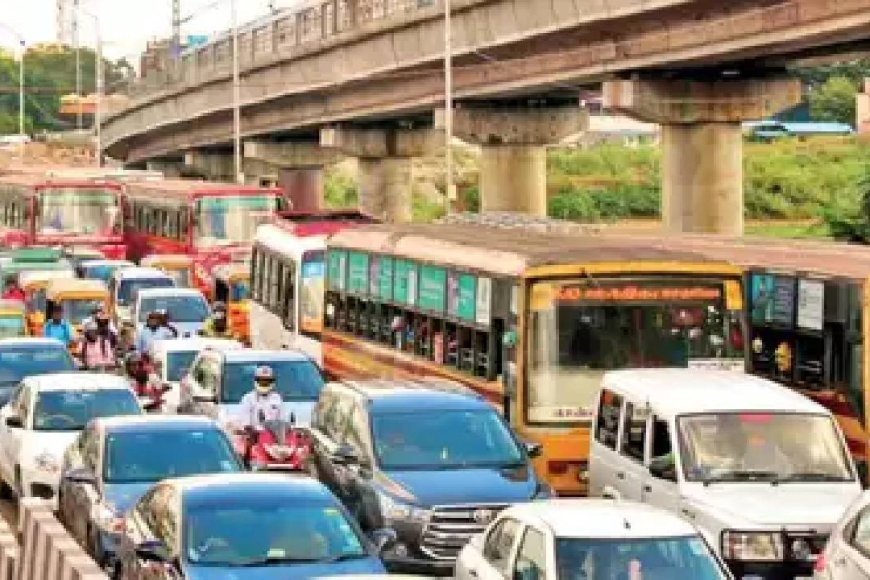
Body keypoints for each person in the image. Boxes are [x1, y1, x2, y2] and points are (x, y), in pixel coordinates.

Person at [236, 366, 283, 463]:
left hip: (272, 439)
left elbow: (281, 420)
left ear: (272, 382)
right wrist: (251, 431)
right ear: (256, 381)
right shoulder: (248, 398)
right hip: (254, 438)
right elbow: (245, 423)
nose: (264, 383)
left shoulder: (277, 398)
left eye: (267, 381)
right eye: (261, 381)